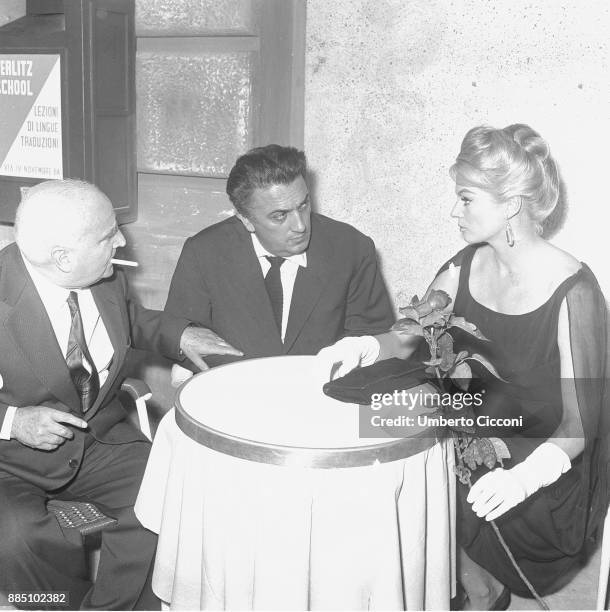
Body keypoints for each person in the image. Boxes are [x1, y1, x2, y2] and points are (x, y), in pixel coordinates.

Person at [318, 124, 609, 609]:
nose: (455, 210)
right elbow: (411, 333)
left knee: (417, 464)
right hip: (474, 415)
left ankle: (480, 583)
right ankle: (457, 581)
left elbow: (581, 424)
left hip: (543, 455)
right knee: (366, 432)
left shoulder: (575, 293)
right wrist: (367, 345)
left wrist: (525, 478)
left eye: (467, 198)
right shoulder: (464, 265)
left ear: (511, 204)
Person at [0, 179, 241, 610]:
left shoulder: (103, 275)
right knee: (17, 540)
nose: (123, 239)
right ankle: (55, 605)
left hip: (99, 439)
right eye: (108, 234)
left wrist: (181, 334)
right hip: (8, 462)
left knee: (171, 495)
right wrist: (13, 422)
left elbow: (126, 320)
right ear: (63, 258)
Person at [165, 144, 394, 382]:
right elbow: (183, 336)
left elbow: (373, 339)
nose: (300, 226)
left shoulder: (352, 248)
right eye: (279, 216)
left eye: (303, 205)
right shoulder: (204, 252)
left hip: (324, 395)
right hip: (233, 395)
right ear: (245, 220)